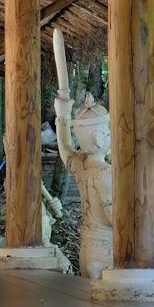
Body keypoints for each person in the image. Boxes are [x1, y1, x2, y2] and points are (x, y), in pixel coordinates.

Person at [54, 93, 113, 280]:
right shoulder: (106, 173)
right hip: (107, 250)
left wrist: (62, 115)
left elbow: (64, 148)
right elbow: (114, 218)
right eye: (110, 132)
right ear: (99, 138)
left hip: (87, 248)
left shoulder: (81, 165)